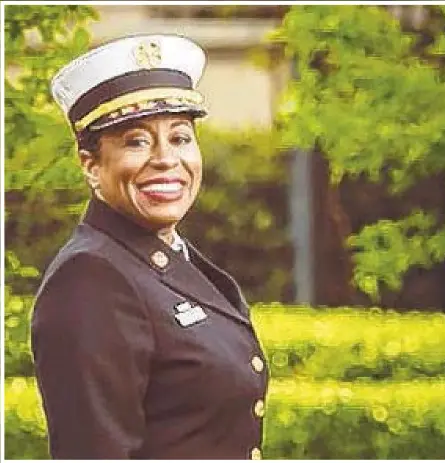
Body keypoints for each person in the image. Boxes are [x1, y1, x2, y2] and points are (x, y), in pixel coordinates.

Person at [31, 34, 268, 460]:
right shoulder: (91, 278)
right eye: (137, 141)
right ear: (91, 165)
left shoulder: (165, 257)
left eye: (180, 138)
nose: (165, 159)